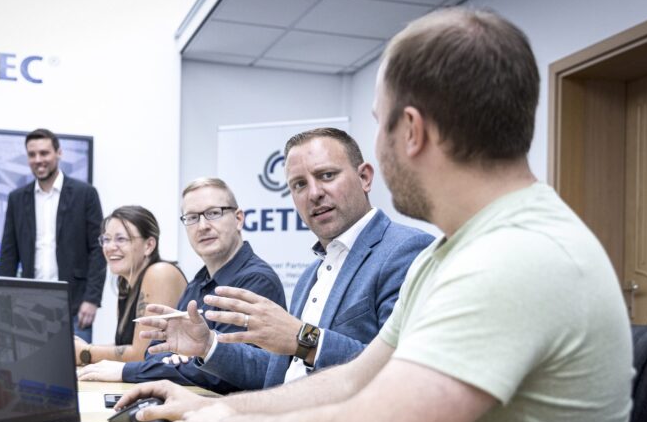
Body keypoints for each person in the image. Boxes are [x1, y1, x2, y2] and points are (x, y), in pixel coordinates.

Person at [122, 8, 632, 422]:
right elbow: (352, 383)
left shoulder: (514, 256)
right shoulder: (453, 252)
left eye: (376, 121)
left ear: (409, 130)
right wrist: (213, 411)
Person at [137, 128, 433, 391]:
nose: (314, 193)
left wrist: (302, 338)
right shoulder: (310, 276)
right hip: (282, 418)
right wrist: (208, 346)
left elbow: (401, 375)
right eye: (299, 185)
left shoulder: (405, 249)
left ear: (365, 177)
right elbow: (278, 373)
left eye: (327, 175)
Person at [76, 178, 285, 393]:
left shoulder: (256, 280)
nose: (203, 226)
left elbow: (223, 372)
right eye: (192, 218)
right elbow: (155, 353)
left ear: (238, 219)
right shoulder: (198, 283)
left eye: (213, 213)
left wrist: (126, 370)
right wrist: (186, 360)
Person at [0, 128, 106, 342]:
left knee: (76, 373)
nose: (38, 160)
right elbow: (8, 254)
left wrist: (91, 299)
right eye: (32, 154)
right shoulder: (17, 199)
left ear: (59, 153)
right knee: (29, 366)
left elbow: (98, 249)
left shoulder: (85, 194)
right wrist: (4, 301)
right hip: (27, 305)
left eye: (44, 153)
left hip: (74, 306)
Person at [73, 206, 187, 363]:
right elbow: (124, 347)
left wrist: (86, 352)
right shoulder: (125, 283)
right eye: (106, 239)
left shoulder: (160, 273)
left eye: (121, 239)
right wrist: (81, 348)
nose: (110, 247)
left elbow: (142, 354)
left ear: (149, 245)